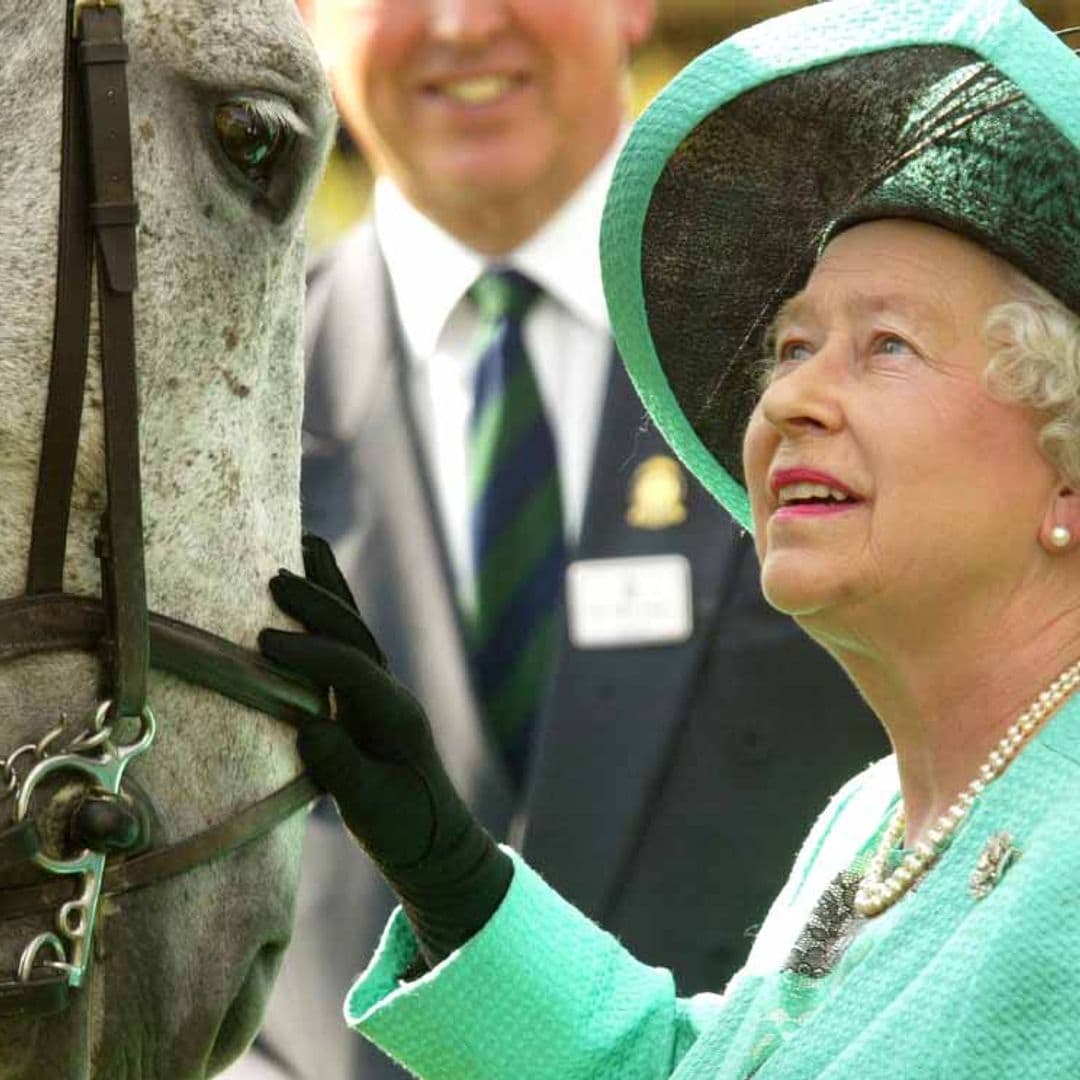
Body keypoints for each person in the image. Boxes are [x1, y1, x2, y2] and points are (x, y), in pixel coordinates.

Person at [252, 0, 1080, 1076]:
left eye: (885, 346)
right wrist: (461, 886)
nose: (791, 401)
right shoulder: (866, 826)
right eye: (789, 347)